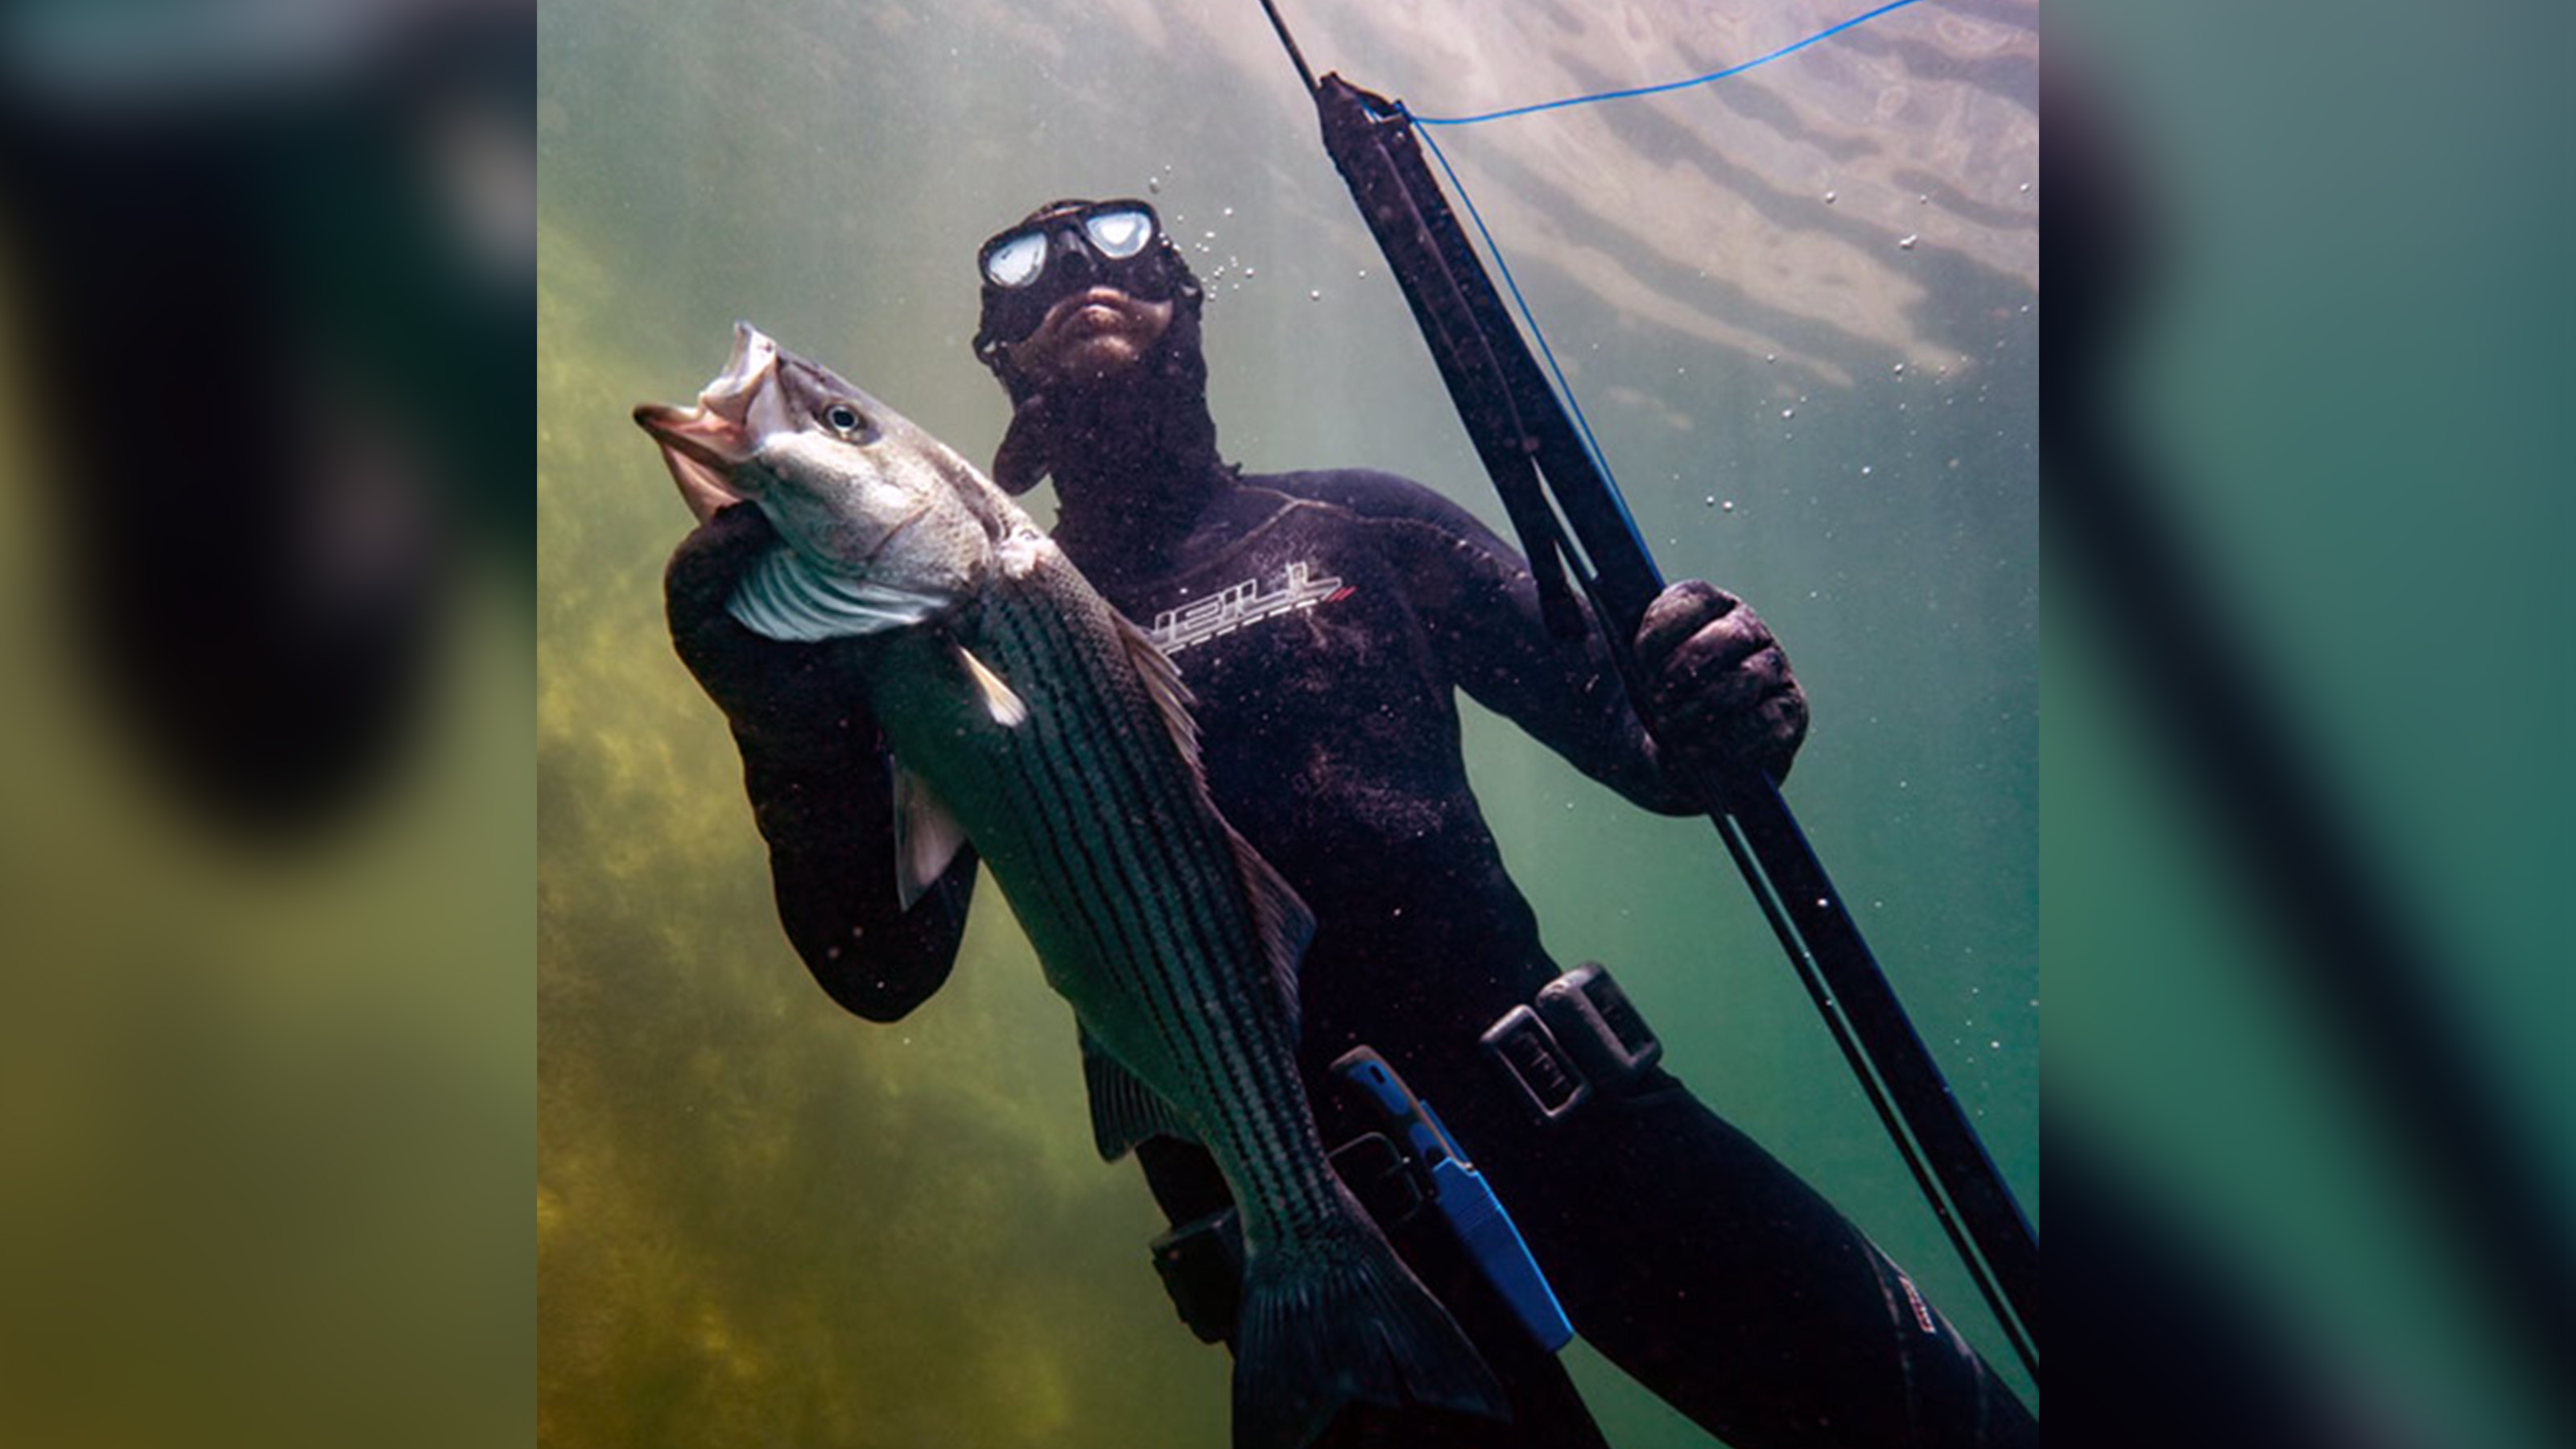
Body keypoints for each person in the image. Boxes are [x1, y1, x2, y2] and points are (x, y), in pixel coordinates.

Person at [665, 196, 2036, 1447]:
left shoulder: (1362, 524)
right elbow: (879, 966)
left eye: (1126, 255)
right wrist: (792, 730)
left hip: (1585, 1133)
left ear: (1192, 313)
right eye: (1028, 283)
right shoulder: (940, 649)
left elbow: (1658, 755)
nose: (1079, 279)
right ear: (1002, 372)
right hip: (1297, 1255)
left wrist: (1722, 702)